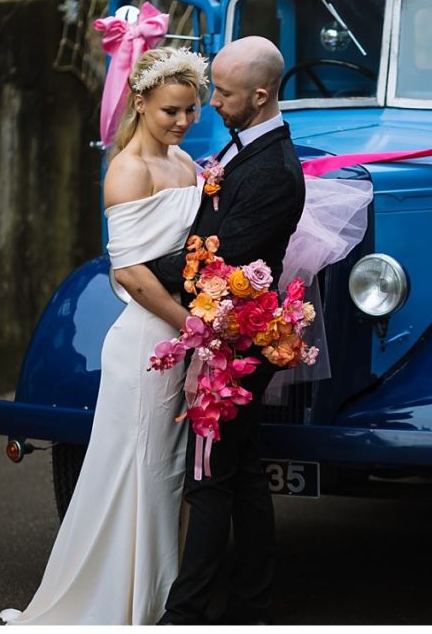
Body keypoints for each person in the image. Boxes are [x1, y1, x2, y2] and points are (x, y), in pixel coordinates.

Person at [0, 46, 208, 625]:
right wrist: (190, 325)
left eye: (191, 110)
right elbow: (130, 273)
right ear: (139, 104)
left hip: (178, 337)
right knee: (137, 466)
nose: (182, 121)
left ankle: (159, 592)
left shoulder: (187, 164)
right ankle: (120, 600)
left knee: (168, 470)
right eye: (171, 110)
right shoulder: (128, 170)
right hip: (149, 339)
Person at [120, 35, 305, 626]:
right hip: (228, 331)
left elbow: (218, 256)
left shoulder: (274, 169)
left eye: (221, 95)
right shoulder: (243, 148)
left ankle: (186, 614)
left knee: (210, 481)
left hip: (235, 344)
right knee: (242, 474)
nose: (210, 105)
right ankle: (253, 602)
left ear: (260, 94)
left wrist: (143, 269)